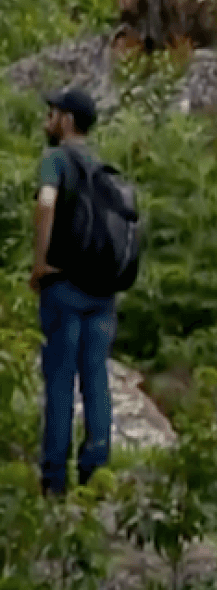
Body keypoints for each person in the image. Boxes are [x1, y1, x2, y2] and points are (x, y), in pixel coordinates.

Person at [29, 86, 117, 498]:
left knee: (60, 381)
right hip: (102, 292)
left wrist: (40, 262)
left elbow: (46, 205)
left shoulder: (57, 160)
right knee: (96, 380)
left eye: (52, 113)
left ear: (65, 120)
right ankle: (96, 474)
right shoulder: (103, 168)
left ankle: (54, 480)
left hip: (63, 287)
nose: (48, 120)